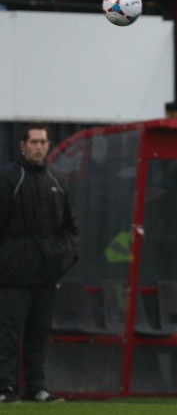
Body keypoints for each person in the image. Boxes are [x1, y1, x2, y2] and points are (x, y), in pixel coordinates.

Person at [0, 124, 79, 403]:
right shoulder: (10, 179)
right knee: (8, 334)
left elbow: (70, 228)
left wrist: (62, 258)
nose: (39, 146)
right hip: (13, 275)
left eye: (43, 142)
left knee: (37, 335)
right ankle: (6, 388)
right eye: (34, 141)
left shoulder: (57, 180)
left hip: (46, 275)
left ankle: (36, 387)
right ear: (23, 144)